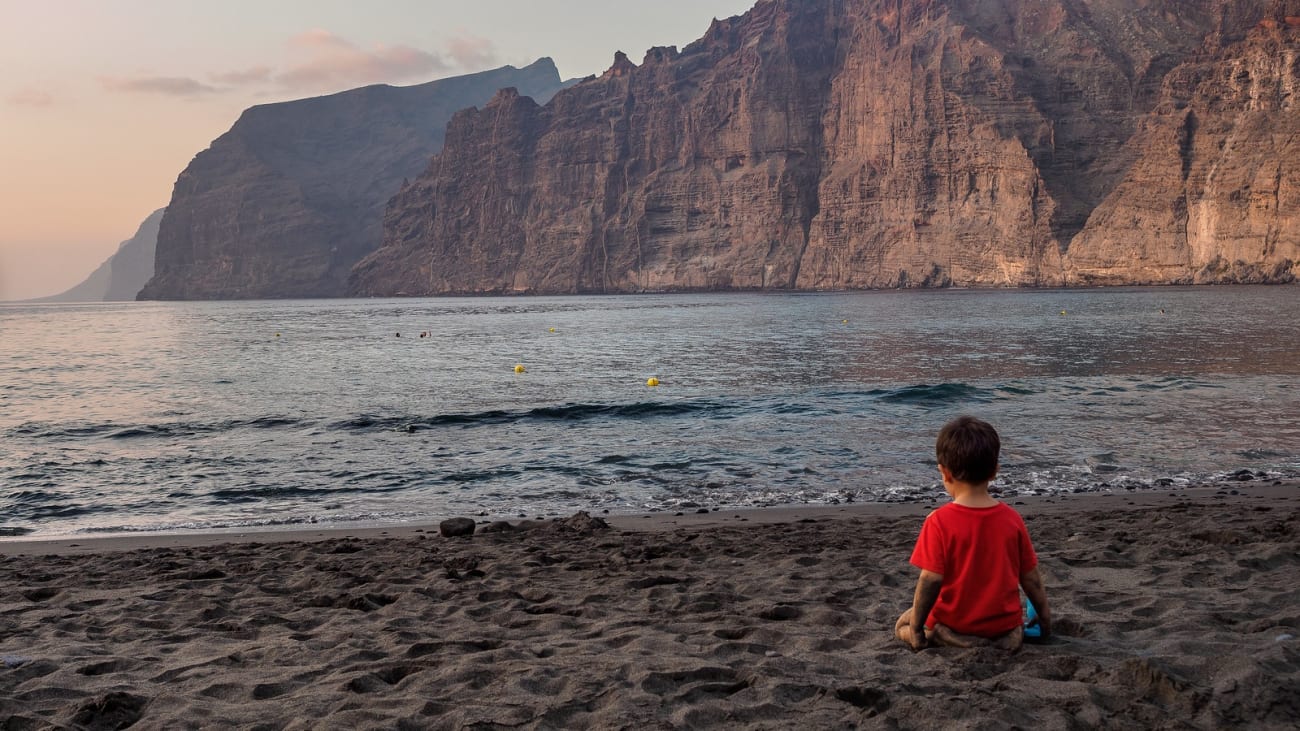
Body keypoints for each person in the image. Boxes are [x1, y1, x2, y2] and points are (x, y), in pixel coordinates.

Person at [895, 416, 1050, 651]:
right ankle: (1004, 637)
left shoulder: (938, 521)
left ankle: (938, 636)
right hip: (1004, 628)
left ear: (944, 473)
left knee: (902, 624)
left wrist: (916, 627)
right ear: (994, 472)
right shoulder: (1012, 519)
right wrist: (1045, 619)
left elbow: (930, 580)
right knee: (1009, 625)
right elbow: (1031, 579)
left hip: (955, 625)